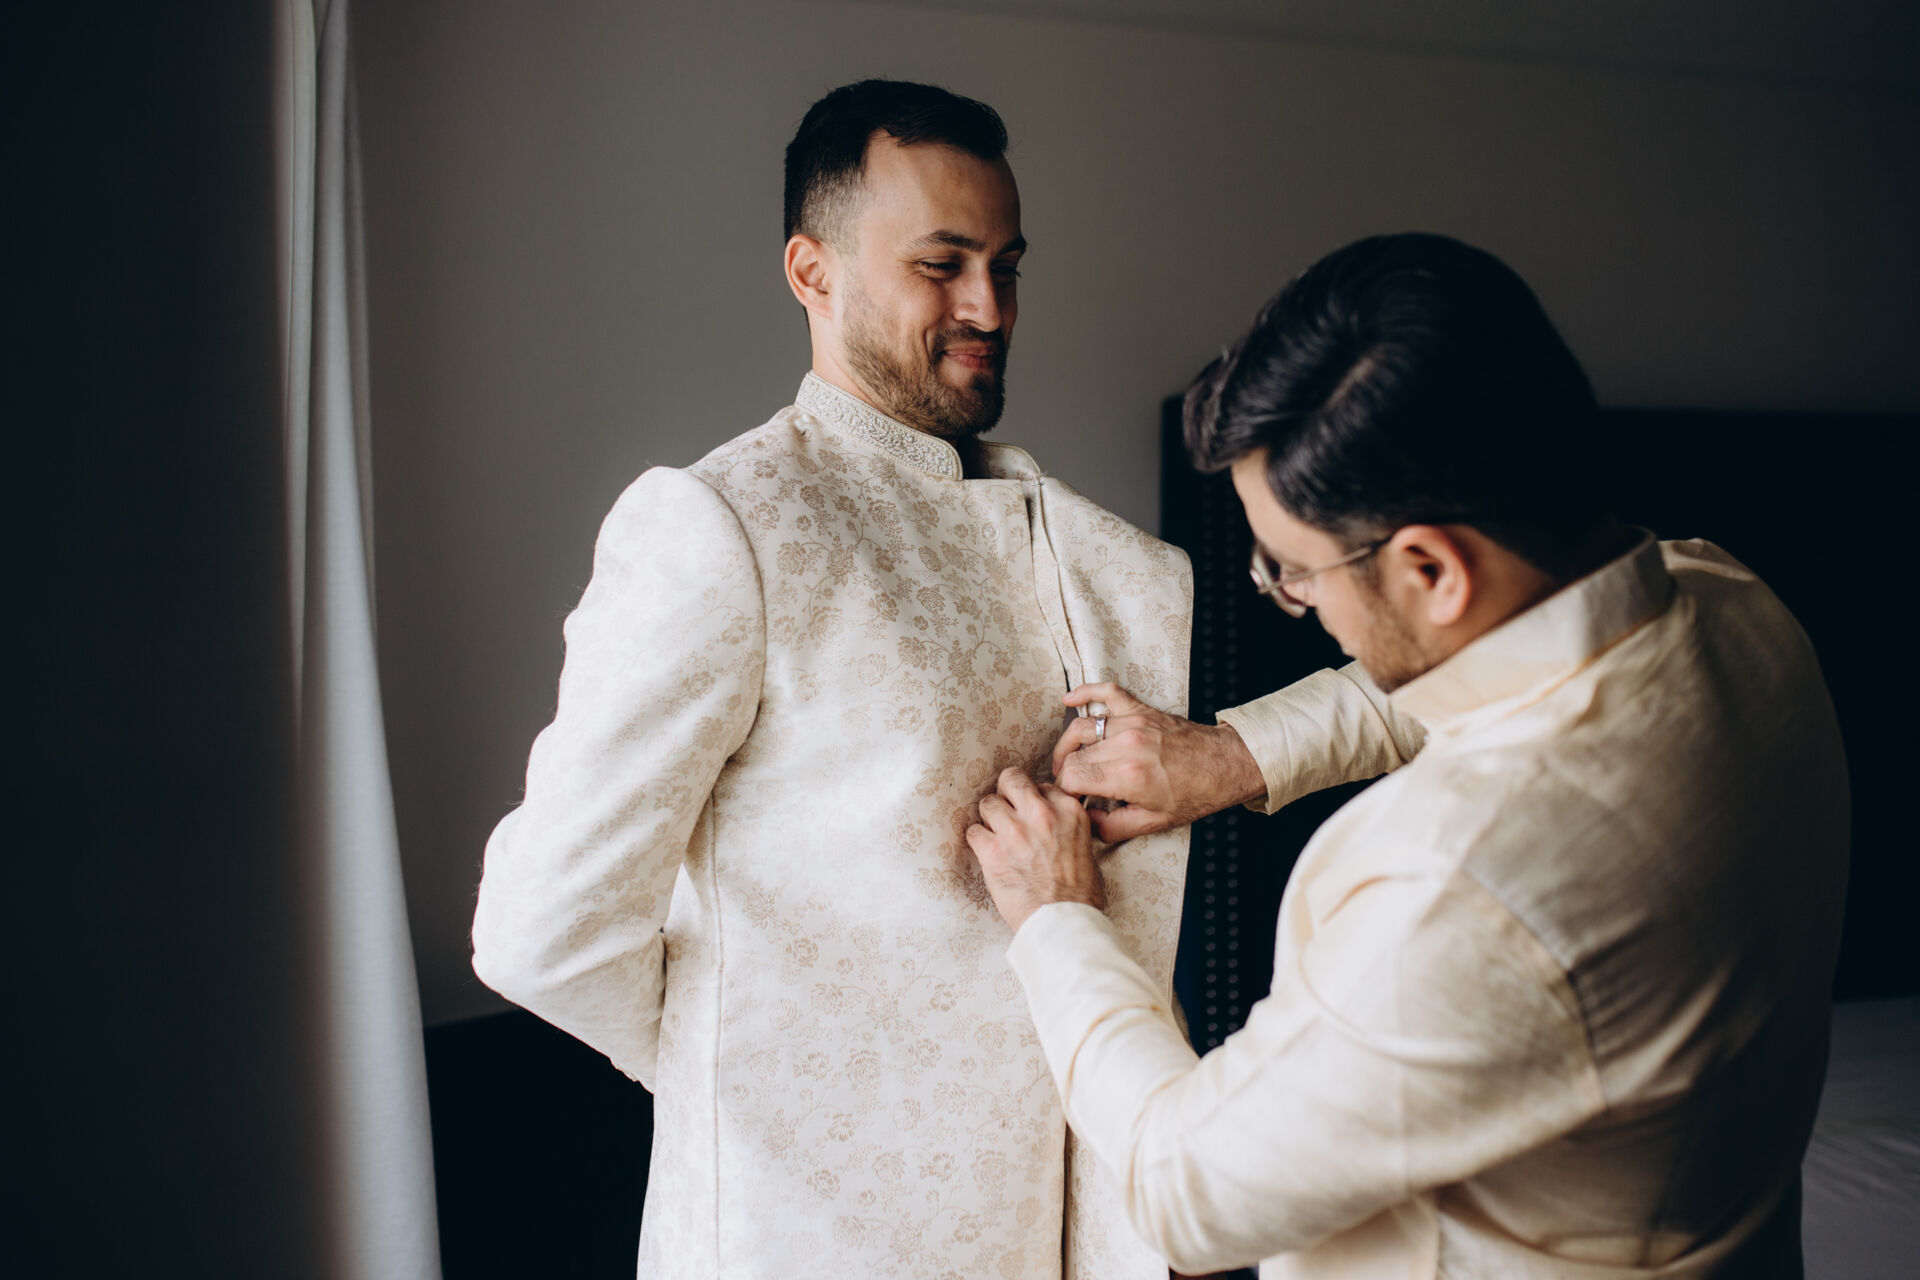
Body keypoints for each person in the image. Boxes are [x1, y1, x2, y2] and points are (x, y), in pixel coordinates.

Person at [967, 233, 1850, 1277]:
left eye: (1292, 571)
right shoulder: (1730, 603)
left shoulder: (1465, 882)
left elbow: (1183, 1188)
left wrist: (1061, 919)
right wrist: (1234, 753)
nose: (1298, 601)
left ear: (1432, 569)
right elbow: (1493, 676)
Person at [470, 79, 1193, 1279]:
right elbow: (544, 926)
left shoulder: (1087, 554)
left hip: (1053, 1229)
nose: (988, 307)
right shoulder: (720, 525)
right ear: (813, 271)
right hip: (808, 1238)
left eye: (1007, 266)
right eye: (942, 265)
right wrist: (771, 1069)